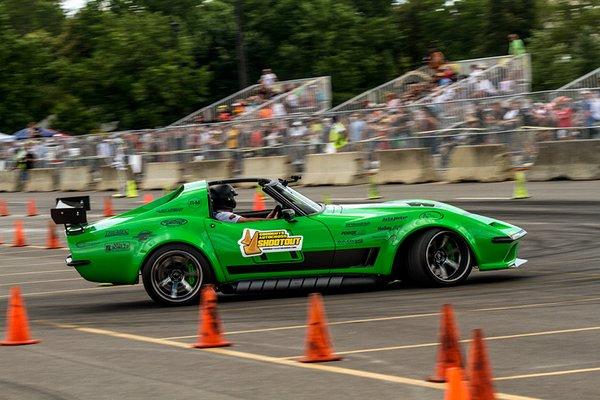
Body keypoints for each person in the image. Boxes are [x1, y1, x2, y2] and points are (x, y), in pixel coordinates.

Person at [210, 184, 279, 223]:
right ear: (227, 199)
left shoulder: (219, 214)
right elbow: (245, 220)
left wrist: (266, 219)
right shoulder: (223, 215)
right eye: (232, 197)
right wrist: (269, 221)